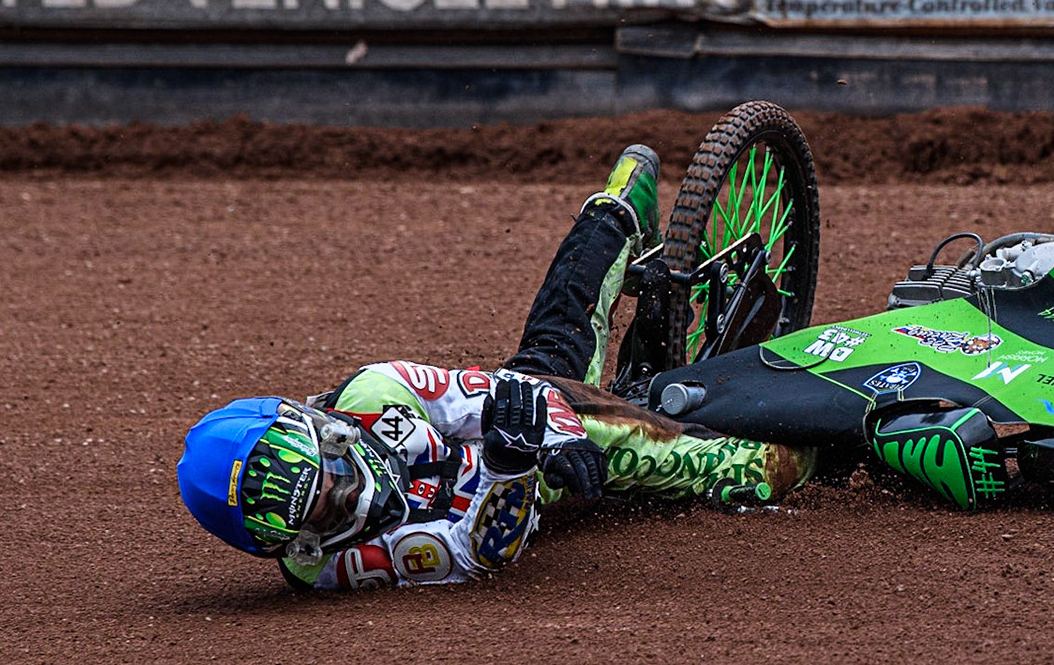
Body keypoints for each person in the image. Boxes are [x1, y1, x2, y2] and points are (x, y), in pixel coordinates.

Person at [176, 146, 816, 592]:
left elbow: (504, 395)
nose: (349, 499)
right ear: (292, 547)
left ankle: (618, 207)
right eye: (320, 517)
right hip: (518, 484)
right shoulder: (327, 570)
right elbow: (474, 554)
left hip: (541, 419)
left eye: (334, 477)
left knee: (557, 354)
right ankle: (826, 447)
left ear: (326, 431)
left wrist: (552, 436)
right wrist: (511, 472)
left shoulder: (377, 390)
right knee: (761, 473)